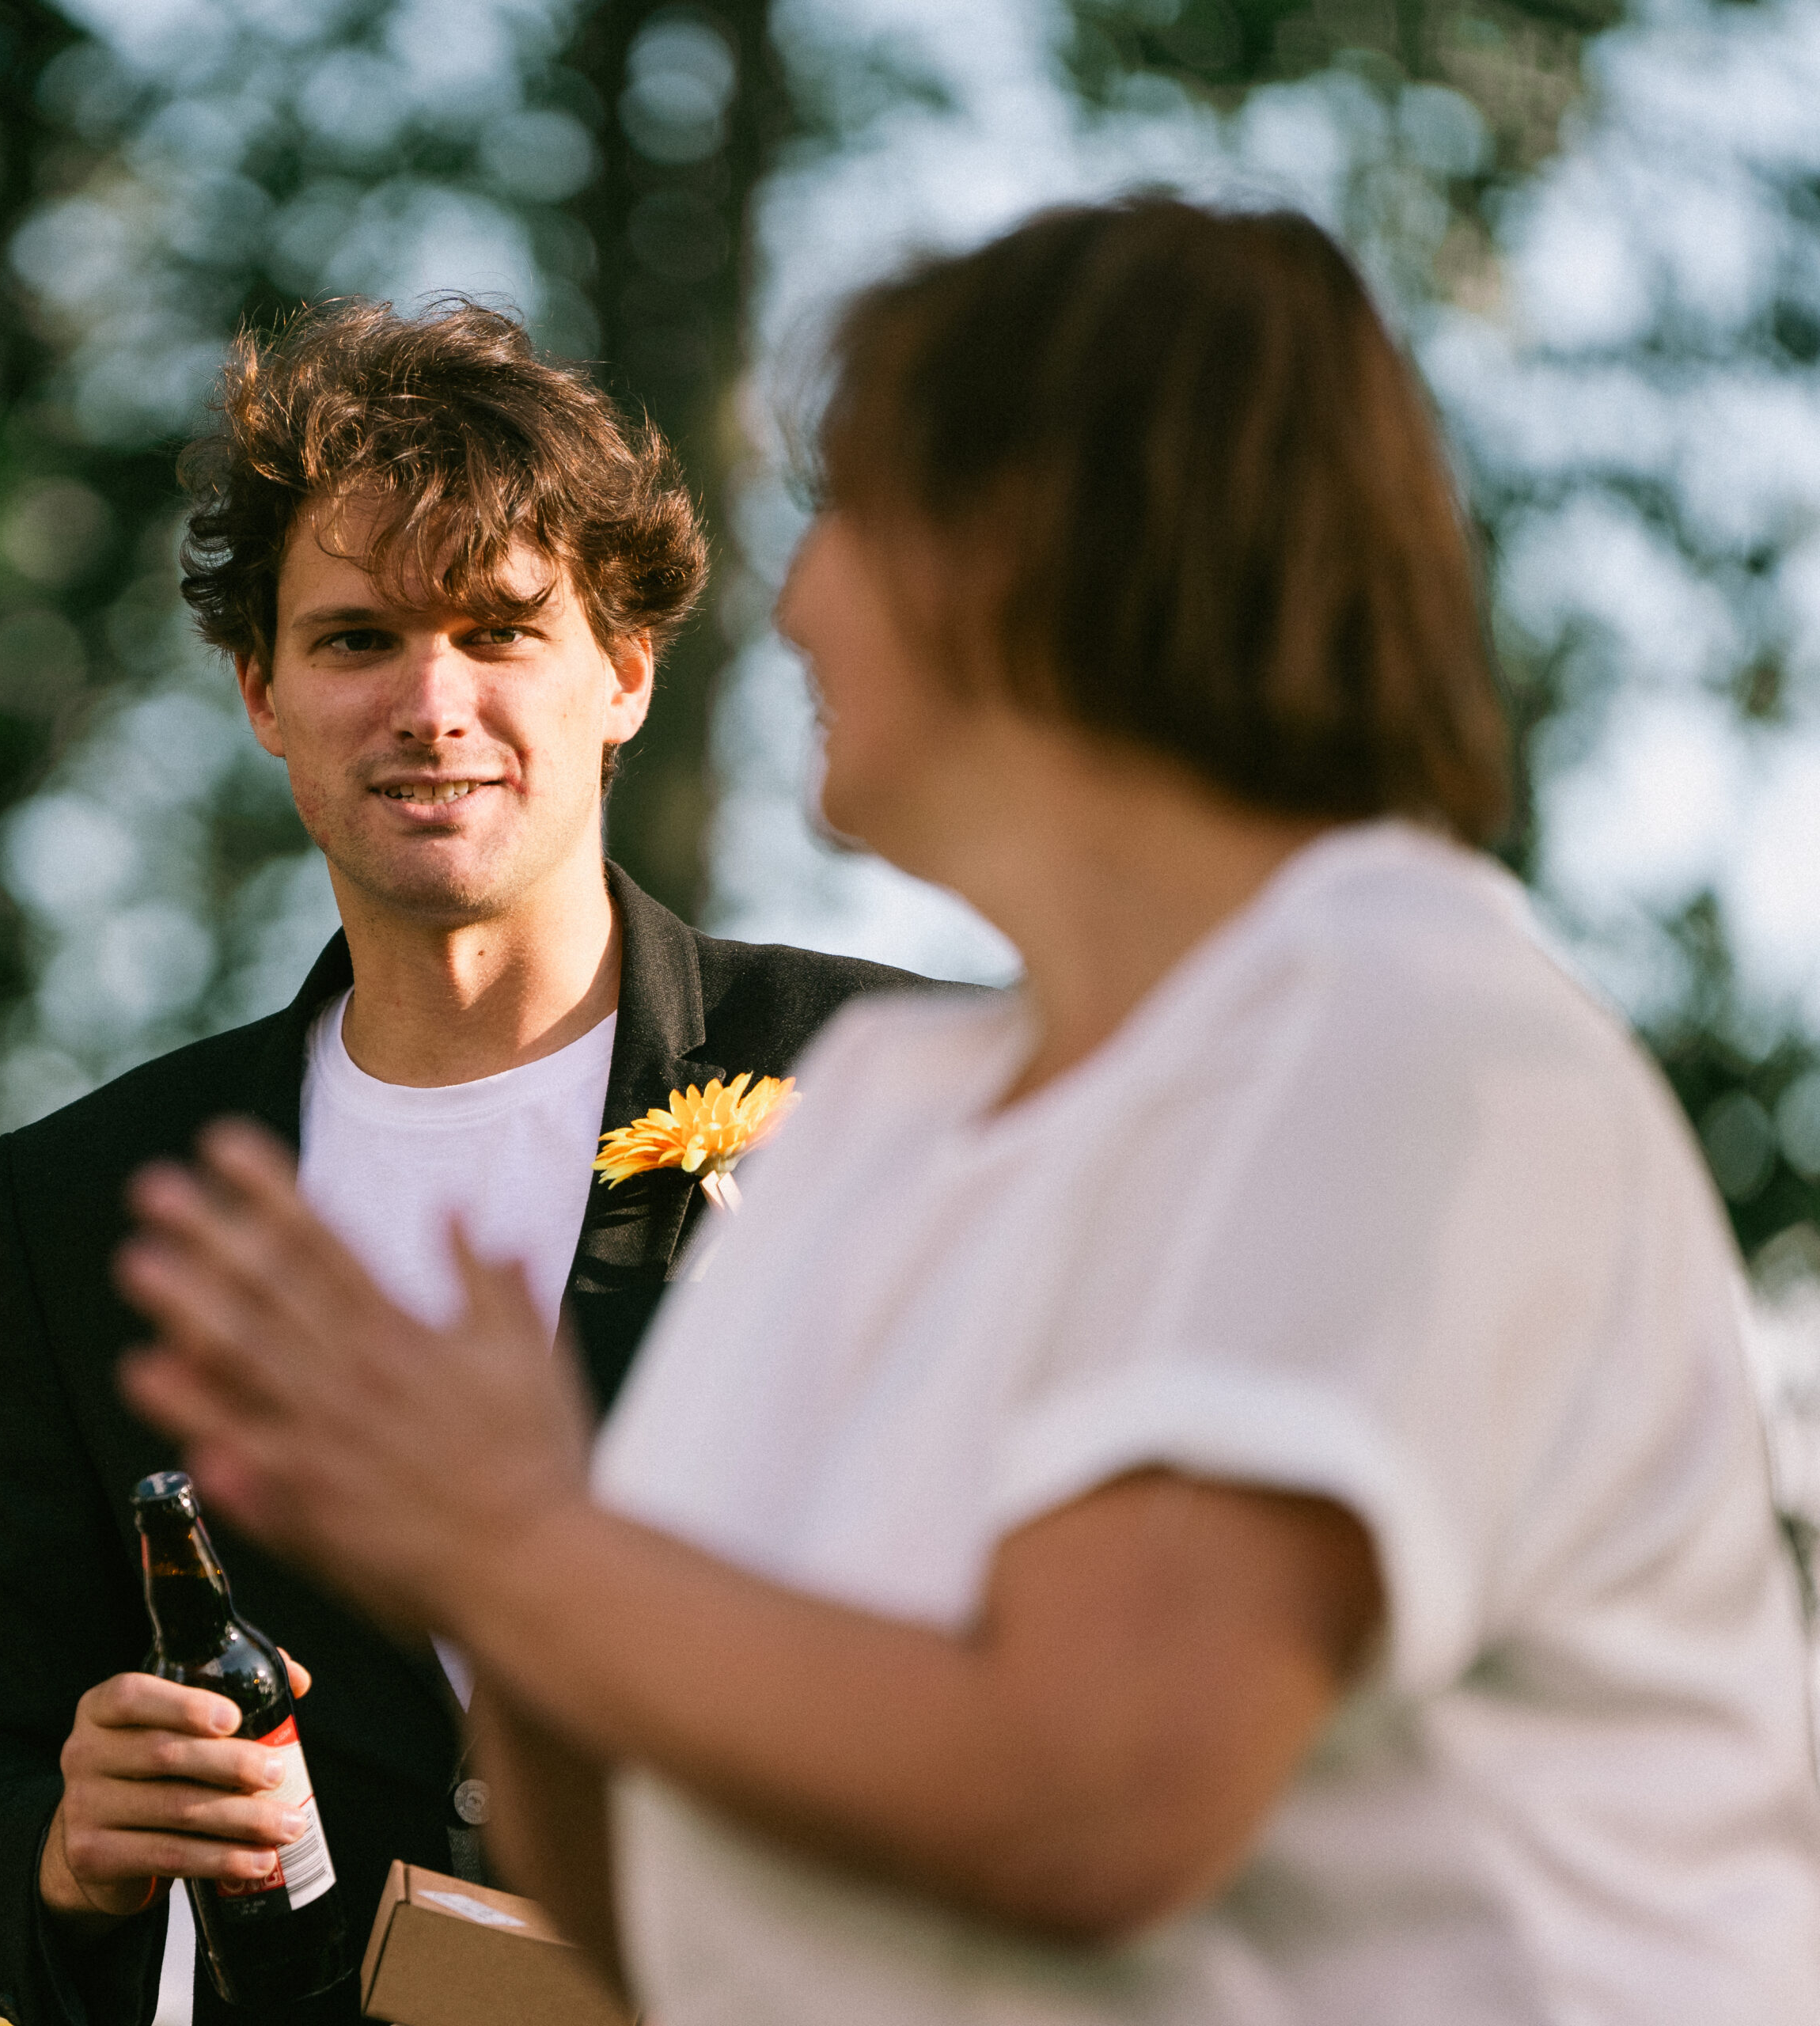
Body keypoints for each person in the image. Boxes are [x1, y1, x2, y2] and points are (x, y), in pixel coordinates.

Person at [114, 199, 1820, 2026]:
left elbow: (1092, 1801)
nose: (791, 600)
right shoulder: (887, 1105)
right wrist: (501, 1568)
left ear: (1044, 551)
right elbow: (652, 1901)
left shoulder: (1394, 1042)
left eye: (850, 509)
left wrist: (512, 1541)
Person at [0, 298, 934, 2026]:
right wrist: (65, 1840)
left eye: (501, 629)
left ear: (624, 673)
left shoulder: (905, 1082)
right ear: (263, 693)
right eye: (357, 638)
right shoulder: (88, 1196)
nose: (432, 703)